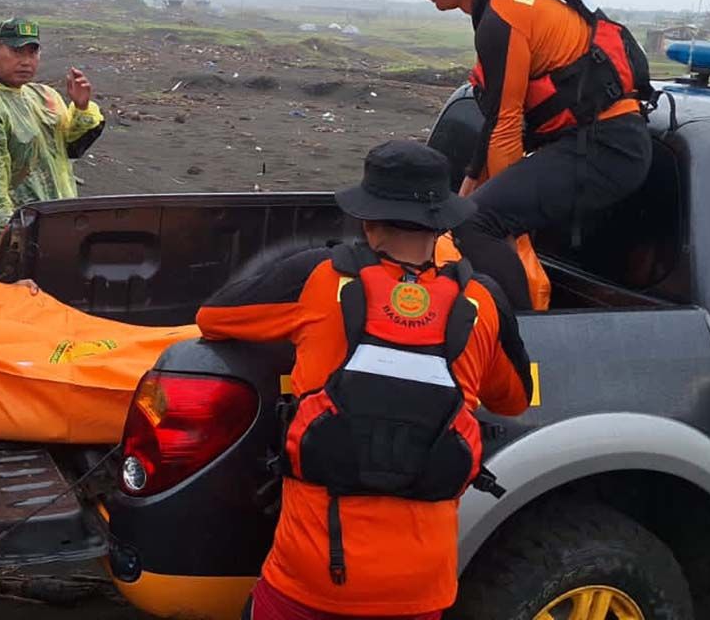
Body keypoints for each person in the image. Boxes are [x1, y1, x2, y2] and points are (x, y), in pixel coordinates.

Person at [196, 140, 532, 620]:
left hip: (311, 575)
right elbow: (515, 399)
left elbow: (214, 317)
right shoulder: (482, 301)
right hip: (421, 585)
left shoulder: (318, 278)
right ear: (442, 222)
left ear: (367, 220)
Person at [398, 0, 653, 304]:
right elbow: (497, 116)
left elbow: (506, 125)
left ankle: (525, 318)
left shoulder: (503, 15)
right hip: (594, 143)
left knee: (478, 221)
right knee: (473, 210)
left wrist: (488, 208)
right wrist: (468, 187)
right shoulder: (506, 6)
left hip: (608, 148)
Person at [0, 17, 105, 254]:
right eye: (16, 51)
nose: (25, 61)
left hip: (56, 229)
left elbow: (70, 148)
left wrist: (82, 108)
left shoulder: (42, 96)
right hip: (17, 243)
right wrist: (14, 241)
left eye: (32, 53)